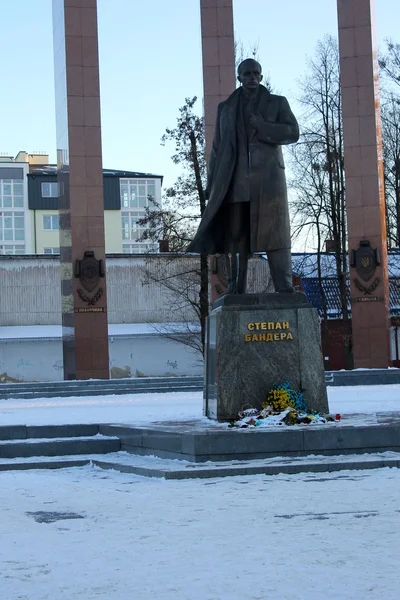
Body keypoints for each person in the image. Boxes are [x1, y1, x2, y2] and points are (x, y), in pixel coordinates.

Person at [187, 58, 299, 294]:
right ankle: (235, 289)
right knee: (236, 237)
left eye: (255, 73)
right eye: (247, 73)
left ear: (261, 75)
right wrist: (211, 185)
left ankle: (284, 287)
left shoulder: (277, 103)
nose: (251, 77)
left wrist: (263, 125)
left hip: (269, 182)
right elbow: (217, 149)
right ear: (239, 77)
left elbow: (292, 132)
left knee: (276, 234)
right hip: (235, 181)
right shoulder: (226, 108)